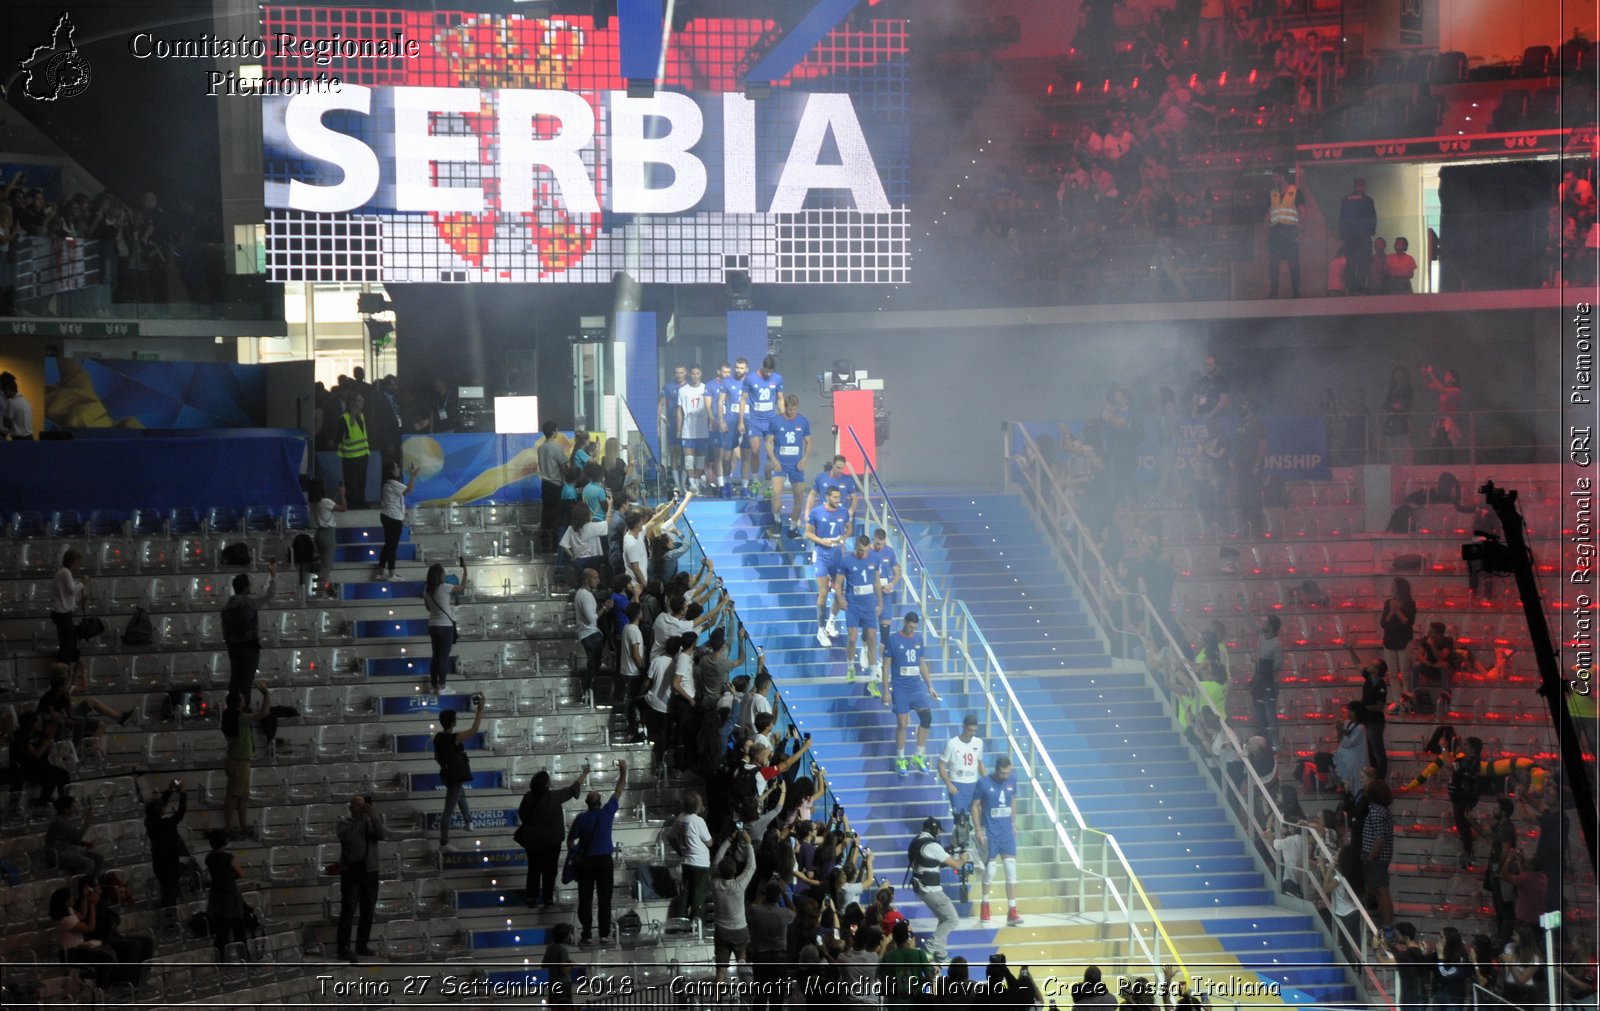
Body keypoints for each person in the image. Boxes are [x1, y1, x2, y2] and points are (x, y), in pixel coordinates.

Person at [568, 760, 628, 945]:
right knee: (605, 898)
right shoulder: (607, 813)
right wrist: (624, 772)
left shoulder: (580, 818)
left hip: (586, 861)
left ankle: (586, 933)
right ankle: (604, 934)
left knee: (585, 898)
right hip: (604, 860)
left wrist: (576, 854)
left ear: (587, 804)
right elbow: (618, 791)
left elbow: (570, 841)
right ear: (600, 802)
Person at [516, 765, 589, 908]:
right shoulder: (554, 797)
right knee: (550, 870)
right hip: (552, 841)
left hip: (533, 840)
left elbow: (522, 814)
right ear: (545, 784)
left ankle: (531, 897)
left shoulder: (528, 797)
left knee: (534, 869)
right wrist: (585, 773)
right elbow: (573, 789)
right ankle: (548, 899)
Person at [880, 611, 940, 777]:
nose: (912, 630)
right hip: (900, 688)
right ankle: (900, 758)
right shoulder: (893, 640)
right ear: (904, 622)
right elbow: (885, 667)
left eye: (915, 628)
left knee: (927, 718)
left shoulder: (918, 639)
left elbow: (921, 664)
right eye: (910, 626)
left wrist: (930, 686)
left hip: (916, 687)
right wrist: (885, 691)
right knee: (902, 723)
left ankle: (918, 756)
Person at [906, 816, 965, 963]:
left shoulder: (917, 840)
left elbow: (927, 861)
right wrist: (964, 858)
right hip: (930, 888)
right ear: (933, 829)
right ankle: (929, 948)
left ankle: (941, 954)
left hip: (922, 886)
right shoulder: (932, 845)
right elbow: (957, 864)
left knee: (943, 918)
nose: (938, 834)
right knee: (952, 919)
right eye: (937, 831)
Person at [972, 756, 1023, 925]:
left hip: (1006, 832)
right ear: (996, 770)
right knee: (991, 870)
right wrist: (978, 829)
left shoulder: (1012, 779)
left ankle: (1012, 910)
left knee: (1011, 870)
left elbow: (1013, 801)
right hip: (991, 831)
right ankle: (985, 904)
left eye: (1007, 772)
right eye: (1002, 773)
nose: (1005, 776)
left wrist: (1014, 824)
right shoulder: (984, 783)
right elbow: (974, 806)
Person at [335, 793, 385, 962]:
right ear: (350, 808)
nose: (360, 808)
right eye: (357, 805)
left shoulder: (371, 822)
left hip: (370, 871)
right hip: (351, 872)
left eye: (363, 805)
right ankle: (343, 947)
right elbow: (349, 838)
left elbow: (381, 835)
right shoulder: (344, 824)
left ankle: (361, 945)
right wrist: (360, 819)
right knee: (348, 910)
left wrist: (373, 816)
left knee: (368, 910)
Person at [433, 696, 484, 853]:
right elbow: (474, 730)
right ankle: (444, 842)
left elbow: (436, 757)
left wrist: (446, 767)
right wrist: (480, 711)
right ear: (452, 721)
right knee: (448, 809)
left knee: (461, 796)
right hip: (455, 776)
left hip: (448, 774)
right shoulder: (453, 738)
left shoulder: (438, 737)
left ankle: (469, 822)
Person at [220, 684, 271, 839]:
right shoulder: (241, 718)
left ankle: (242, 825)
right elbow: (264, 712)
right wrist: (266, 694)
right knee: (233, 796)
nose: (244, 702)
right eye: (242, 700)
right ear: (237, 703)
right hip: (240, 763)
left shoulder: (227, 715)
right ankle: (230, 828)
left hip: (234, 760)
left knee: (242, 795)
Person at [221, 560, 277, 698]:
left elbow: (225, 632)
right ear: (246, 588)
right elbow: (269, 595)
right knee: (247, 680)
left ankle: (233, 707)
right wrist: (273, 576)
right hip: (249, 647)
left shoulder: (226, 607)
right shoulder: (250, 602)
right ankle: (244, 708)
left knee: (235, 679)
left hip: (233, 647)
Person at [835, 536, 885, 683]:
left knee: (871, 640)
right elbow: (838, 584)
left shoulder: (875, 559)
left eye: (865, 550)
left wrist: (880, 604)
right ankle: (850, 668)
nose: (862, 553)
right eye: (860, 550)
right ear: (856, 546)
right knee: (852, 638)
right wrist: (840, 599)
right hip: (853, 606)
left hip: (869, 606)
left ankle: (873, 676)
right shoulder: (846, 560)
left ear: (869, 547)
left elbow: (876, 582)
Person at [806, 485, 851, 646]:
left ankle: (831, 622)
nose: (838, 500)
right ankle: (820, 630)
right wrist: (821, 541)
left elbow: (849, 528)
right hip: (822, 556)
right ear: (827, 497)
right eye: (835, 497)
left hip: (838, 556)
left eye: (839, 497)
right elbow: (808, 533)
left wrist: (843, 538)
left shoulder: (843, 512)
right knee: (823, 592)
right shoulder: (816, 512)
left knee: (840, 592)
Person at [709, 827, 756, 982]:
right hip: (740, 930)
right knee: (743, 968)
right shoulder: (738, 885)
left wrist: (729, 840)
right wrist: (748, 844)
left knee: (720, 972)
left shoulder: (715, 883)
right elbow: (751, 867)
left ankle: (717, 1003)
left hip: (721, 931)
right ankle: (746, 999)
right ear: (735, 871)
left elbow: (717, 859)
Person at [767, 393, 813, 535]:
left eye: (794, 409)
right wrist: (773, 460)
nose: (792, 412)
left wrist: (805, 458)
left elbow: (809, 442)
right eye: (789, 409)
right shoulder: (776, 421)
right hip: (780, 463)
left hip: (796, 465)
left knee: (799, 497)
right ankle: (777, 521)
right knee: (776, 493)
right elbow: (768, 442)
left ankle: (793, 527)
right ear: (785, 407)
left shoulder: (803, 421)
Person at [747, 878, 797, 1007]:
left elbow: (752, 905)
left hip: (760, 959)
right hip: (779, 960)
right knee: (777, 999)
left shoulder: (756, 912)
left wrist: (763, 892)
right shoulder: (784, 914)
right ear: (778, 895)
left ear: (766, 894)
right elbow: (794, 911)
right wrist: (785, 894)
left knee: (760, 998)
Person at [667, 789, 713, 921]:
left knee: (685, 894)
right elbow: (709, 843)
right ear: (697, 806)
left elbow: (670, 837)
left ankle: (681, 923)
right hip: (700, 863)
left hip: (687, 861)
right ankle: (695, 925)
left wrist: (680, 851)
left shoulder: (680, 818)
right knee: (698, 896)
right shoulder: (698, 821)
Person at [144, 778, 190, 908]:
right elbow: (181, 812)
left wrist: (169, 791)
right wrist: (183, 793)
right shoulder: (167, 824)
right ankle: (170, 922)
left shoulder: (149, 823)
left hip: (158, 863)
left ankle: (169, 919)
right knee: (170, 897)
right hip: (171, 864)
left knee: (167, 891)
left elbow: (157, 808)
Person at [424, 560, 467, 692]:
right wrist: (465, 571)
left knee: (435, 656)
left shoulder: (426, 590)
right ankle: (442, 686)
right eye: (443, 574)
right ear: (439, 576)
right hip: (445, 625)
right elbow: (461, 587)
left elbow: (428, 608)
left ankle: (434, 685)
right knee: (443, 657)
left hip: (432, 625)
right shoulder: (445, 587)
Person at [741, 355, 783, 490]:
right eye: (766, 371)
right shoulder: (750, 378)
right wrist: (741, 420)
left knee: (773, 452)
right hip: (755, 421)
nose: (768, 374)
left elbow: (780, 399)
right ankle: (755, 479)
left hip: (771, 420)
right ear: (762, 366)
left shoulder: (777, 378)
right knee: (755, 450)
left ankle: (771, 480)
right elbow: (743, 399)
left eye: (771, 371)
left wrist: (782, 418)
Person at [204, 827, 247, 960]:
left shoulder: (209, 857)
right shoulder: (228, 857)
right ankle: (244, 958)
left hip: (216, 896)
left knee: (221, 932)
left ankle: (220, 960)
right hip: (230, 896)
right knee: (238, 930)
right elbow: (241, 873)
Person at [1361, 779, 1395, 940]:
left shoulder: (1376, 812)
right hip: (1381, 857)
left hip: (1376, 858)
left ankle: (1388, 929)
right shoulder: (1383, 811)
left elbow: (1380, 838)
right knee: (1378, 892)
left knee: (1381, 892)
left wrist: (1369, 857)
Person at [573, 567, 613, 703]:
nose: (598, 580)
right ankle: (589, 693)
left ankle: (589, 694)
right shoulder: (586, 596)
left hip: (588, 634)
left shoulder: (581, 593)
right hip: (590, 635)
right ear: (586, 580)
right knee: (593, 668)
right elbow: (592, 618)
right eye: (595, 578)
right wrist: (605, 608)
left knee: (594, 667)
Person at [374, 461, 417, 581]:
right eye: (397, 467)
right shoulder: (393, 483)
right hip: (393, 518)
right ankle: (391, 574)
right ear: (392, 471)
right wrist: (413, 475)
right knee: (392, 547)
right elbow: (409, 489)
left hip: (387, 515)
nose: (399, 469)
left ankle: (380, 571)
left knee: (388, 545)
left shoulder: (387, 483)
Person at [1266, 167, 1305, 298]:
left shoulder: (1295, 191)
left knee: (1293, 263)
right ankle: (1274, 292)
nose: (1273, 179)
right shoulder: (1272, 193)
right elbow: (1268, 213)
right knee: (1273, 263)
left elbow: (1302, 212)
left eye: (1275, 176)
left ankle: (1296, 291)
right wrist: (1267, 232)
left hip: (1289, 231)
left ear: (1282, 177)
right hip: (1275, 231)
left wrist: (1301, 231)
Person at [306, 477, 348, 598]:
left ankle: (321, 588)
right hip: (328, 534)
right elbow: (343, 508)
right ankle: (320, 590)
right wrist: (343, 495)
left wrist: (336, 494)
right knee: (327, 565)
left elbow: (329, 505)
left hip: (319, 533)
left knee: (323, 562)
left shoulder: (314, 503)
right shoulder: (325, 503)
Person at [938, 714, 986, 819]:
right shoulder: (952, 744)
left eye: (975, 731)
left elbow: (980, 763)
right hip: (957, 785)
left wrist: (987, 781)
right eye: (970, 730)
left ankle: (978, 833)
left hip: (973, 784)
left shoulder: (978, 743)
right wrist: (948, 784)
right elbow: (941, 765)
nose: (972, 734)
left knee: (979, 813)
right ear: (963, 726)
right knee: (960, 819)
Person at [45, 793, 103, 878]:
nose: (74, 809)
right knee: (89, 863)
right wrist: (87, 822)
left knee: (98, 858)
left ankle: (93, 884)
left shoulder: (65, 819)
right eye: (72, 807)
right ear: (66, 809)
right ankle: (79, 886)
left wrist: (85, 844)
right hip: (59, 854)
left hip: (68, 850)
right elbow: (77, 836)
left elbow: (72, 839)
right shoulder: (59, 822)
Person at [676, 364, 713, 493]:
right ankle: (692, 484)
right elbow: (679, 411)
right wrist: (679, 429)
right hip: (688, 430)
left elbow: (710, 408)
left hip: (702, 430)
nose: (695, 376)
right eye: (693, 373)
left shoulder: (706, 388)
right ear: (689, 374)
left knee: (700, 459)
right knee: (689, 459)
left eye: (697, 373)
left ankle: (697, 483)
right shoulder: (683, 390)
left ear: (701, 374)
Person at [50, 547, 89, 668]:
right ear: (73, 561)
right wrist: (83, 583)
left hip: (61, 612)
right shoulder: (65, 572)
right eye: (78, 561)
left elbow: (66, 595)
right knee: (67, 646)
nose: (79, 564)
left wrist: (78, 600)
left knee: (68, 644)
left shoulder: (63, 573)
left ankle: (64, 670)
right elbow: (72, 591)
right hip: (62, 614)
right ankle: (63, 671)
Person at [878, 918, 935, 1001]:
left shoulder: (887, 958)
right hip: (916, 1003)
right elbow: (929, 979)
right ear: (908, 936)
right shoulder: (919, 954)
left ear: (893, 937)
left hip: (896, 1004)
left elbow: (883, 982)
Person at [1339, 178, 1377, 293]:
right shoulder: (1367, 200)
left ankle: (1351, 286)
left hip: (1350, 237)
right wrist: (1371, 230)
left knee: (1351, 262)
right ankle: (1360, 286)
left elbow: (1342, 219)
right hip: (1362, 236)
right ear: (1363, 186)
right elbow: (1372, 217)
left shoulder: (1346, 200)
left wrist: (1343, 234)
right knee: (1363, 262)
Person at [1250, 615, 1282, 747]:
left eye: (1264, 622)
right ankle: (1261, 742)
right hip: (1258, 681)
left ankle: (1274, 744)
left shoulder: (1277, 644)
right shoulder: (1261, 637)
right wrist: (1242, 604)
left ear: (1271, 627)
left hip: (1270, 683)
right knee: (1259, 714)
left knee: (1270, 714)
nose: (1261, 624)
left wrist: (1262, 663)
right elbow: (1250, 622)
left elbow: (1278, 666)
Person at [1420, 365, 1462, 461]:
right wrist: (1424, 375)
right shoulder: (1444, 390)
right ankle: (1436, 464)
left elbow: (1440, 388)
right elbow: (1428, 385)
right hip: (1440, 420)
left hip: (1449, 420)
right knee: (1438, 443)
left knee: (1446, 443)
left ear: (1454, 379)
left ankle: (1448, 464)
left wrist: (1431, 373)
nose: (1445, 377)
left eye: (1448, 375)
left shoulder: (1455, 390)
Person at [537, 420, 568, 551]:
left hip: (545, 485)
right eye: (557, 430)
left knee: (546, 516)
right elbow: (563, 466)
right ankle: (556, 547)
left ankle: (544, 546)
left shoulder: (541, 448)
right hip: (556, 485)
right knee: (557, 517)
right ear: (554, 431)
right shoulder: (557, 447)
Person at [337, 393, 371, 508]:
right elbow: (339, 437)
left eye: (362, 399)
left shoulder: (362, 416)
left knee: (361, 480)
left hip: (363, 454)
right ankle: (351, 502)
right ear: (353, 403)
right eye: (359, 400)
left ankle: (361, 500)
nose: (362, 401)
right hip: (350, 455)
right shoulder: (344, 418)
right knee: (351, 481)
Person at [1380, 578, 1417, 680]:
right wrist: (1391, 612)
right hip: (1390, 640)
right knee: (1393, 674)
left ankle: (1406, 694)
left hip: (1404, 640)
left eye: (1394, 585)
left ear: (1400, 588)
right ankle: (1396, 695)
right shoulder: (1388, 603)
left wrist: (1397, 611)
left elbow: (1408, 623)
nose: (1391, 588)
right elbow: (1383, 623)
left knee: (1405, 673)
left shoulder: (1410, 604)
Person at [1360, 659, 1390, 779]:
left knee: (1377, 751)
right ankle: (1373, 776)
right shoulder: (1369, 678)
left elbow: (1380, 707)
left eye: (1373, 664)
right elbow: (1359, 664)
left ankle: (1380, 777)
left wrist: (1363, 707)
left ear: (1377, 670)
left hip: (1375, 722)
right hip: (1367, 720)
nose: (1369, 665)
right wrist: (1349, 649)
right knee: (1370, 751)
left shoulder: (1380, 685)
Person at [658, 363, 687, 487]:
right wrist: (659, 422)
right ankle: (677, 484)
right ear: (674, 373)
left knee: (686, 454)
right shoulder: (668, 387)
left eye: (681, 373)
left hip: (687, 425)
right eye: (677, 373)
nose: (679, 375)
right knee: (674, 453)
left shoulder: (689, 387)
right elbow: (661, 405)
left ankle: (684, 483)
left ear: (685, 373)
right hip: (672, 425)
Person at [1380, 366, 1414, 464]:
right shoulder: (1392, 389)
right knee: (1391, 447)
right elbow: (1385, 405)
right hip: (1391, 421)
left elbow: (1406, 403)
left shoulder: (1408, 389)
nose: (1398, 377)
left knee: (1402, 446)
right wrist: (1393, 406)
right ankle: (1394, 467)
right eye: (1396, 374)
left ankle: (1405, 467)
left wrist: (1398, 406)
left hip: (1402, 420)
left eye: (1400, 374)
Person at [543, 923, 577, 1007]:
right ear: (566, 936)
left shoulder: (550, 947)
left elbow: (543, 964)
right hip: (564, 984)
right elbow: (564, 970)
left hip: (552, 982)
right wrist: (571, 964)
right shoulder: (563, 949)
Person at [0, 371, 33, 439]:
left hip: (15, 435)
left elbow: (7, 423)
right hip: (27, 435)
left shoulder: (11, 402)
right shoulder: (24, 401)